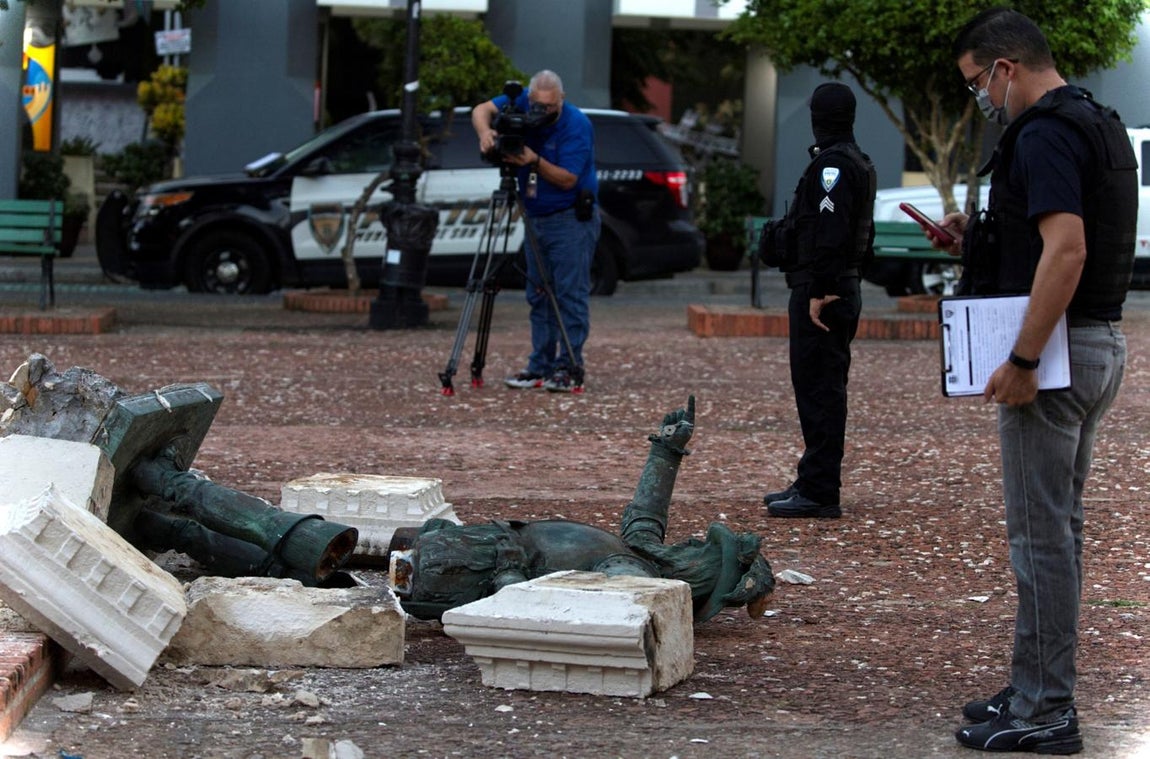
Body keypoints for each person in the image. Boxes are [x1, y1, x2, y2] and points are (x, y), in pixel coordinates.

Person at [934, 9, 1137, 754]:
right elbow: (1058, 235)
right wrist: (975, 234)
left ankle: (1047, 706)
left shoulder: (1045, 131)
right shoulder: (1096, 121)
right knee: (1058, 531)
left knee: (1040, 537)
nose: (979, 99)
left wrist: (1020, 362)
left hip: (1056, 357)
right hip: (1098, 343)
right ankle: (1032, 689)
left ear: (1004, 68)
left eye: (975, 84)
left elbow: (1068, 250)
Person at [388, 396, 776, 623]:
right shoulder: (640, 554)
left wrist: (508, 576)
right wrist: (666, 451)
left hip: (486, 564)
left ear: (701, 571)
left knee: (420, 554)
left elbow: (560, 602)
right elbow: (646, 515)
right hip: (486, 545)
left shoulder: (634, 573)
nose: (690, 540)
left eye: (699, 546)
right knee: (423, 537)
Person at [760, 82, 876, 519]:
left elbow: (830, 233)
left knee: (821, 391)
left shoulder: (834, 167)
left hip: (825, 293)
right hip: (836, 287)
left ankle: (820, 490)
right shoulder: (855, 162)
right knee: (817, 388)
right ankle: (811, 479)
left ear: (818, 117)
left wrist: (821, 290)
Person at [471, 70, 601, 393]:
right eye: (538, 106)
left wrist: (533, 161)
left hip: (570, 217)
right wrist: (485, 133)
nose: (542, 113)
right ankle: (539, 365)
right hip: (534, 216)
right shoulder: (519, 105)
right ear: (529, 99)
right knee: (538, 293)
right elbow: (480, 110)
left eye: (550, 107)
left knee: (569, 294)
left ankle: (570, 365)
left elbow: (569, 179)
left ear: (562, 100)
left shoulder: (576, 125)